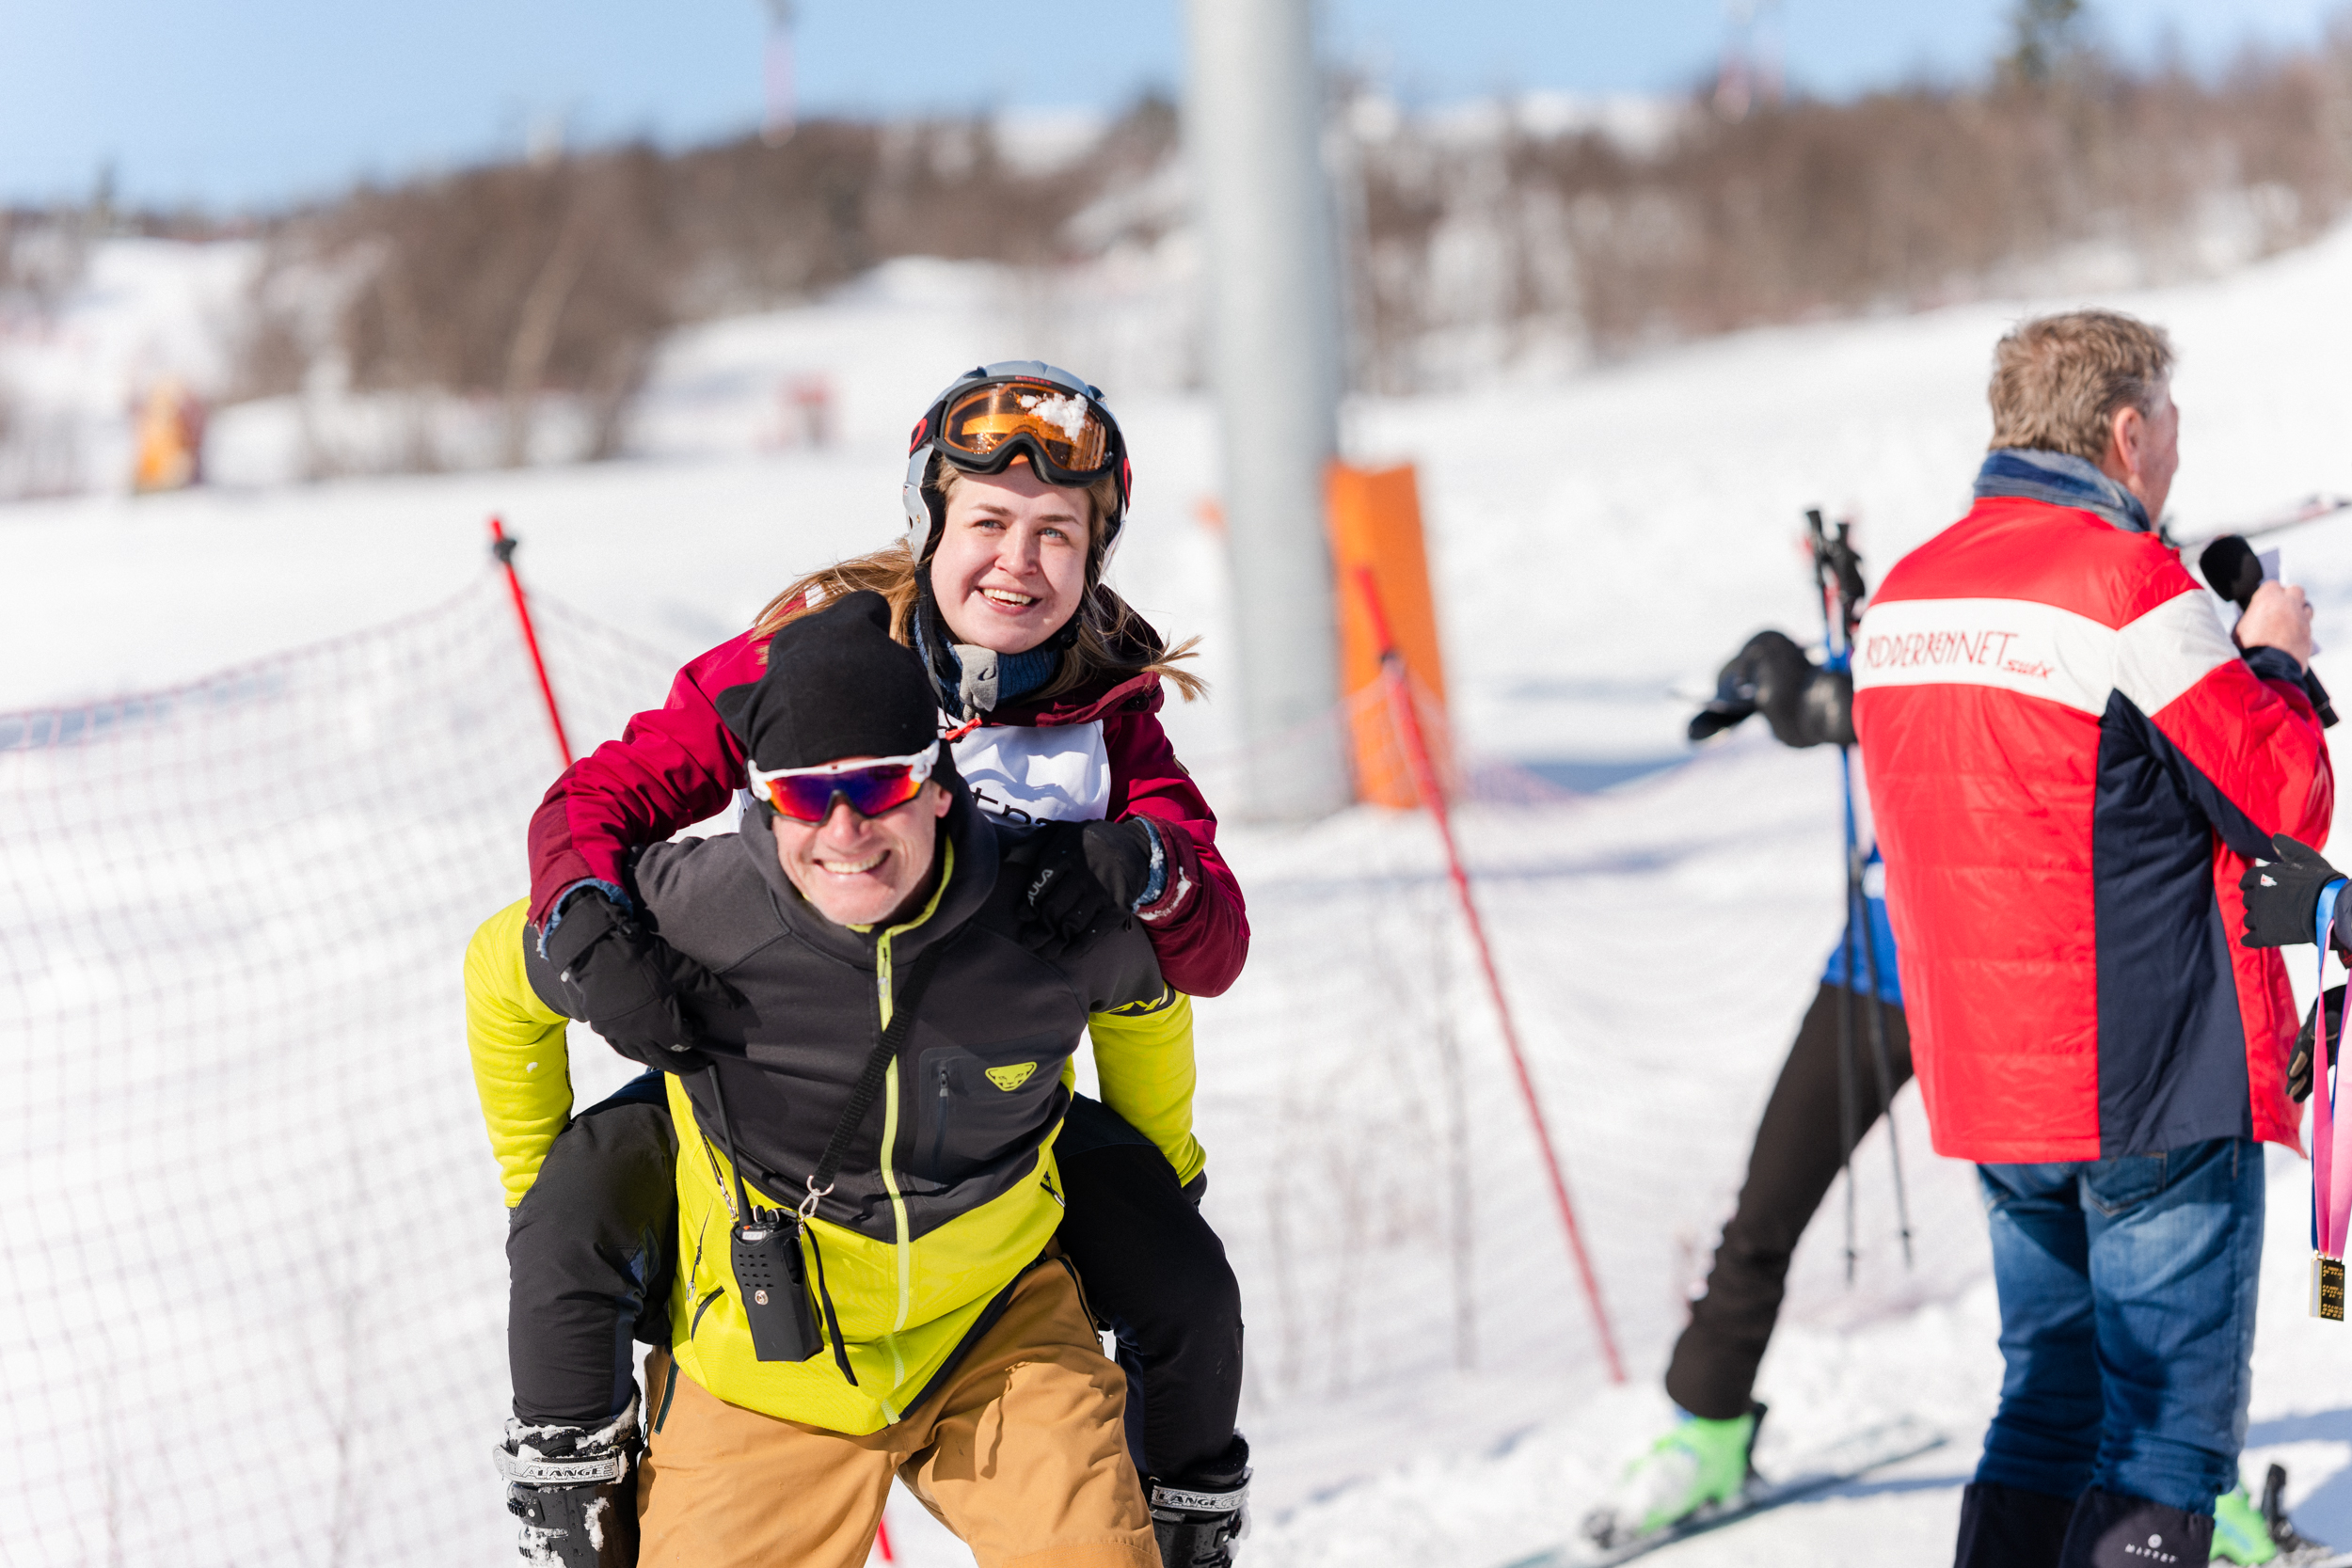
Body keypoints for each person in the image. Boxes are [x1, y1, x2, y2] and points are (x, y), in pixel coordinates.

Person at [483, 364, 1251, 1566]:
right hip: (776, 1058)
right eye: (989, 521)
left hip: (988, 1085)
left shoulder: (1106, 718)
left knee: (1181, 1269)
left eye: (1060, 533)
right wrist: (589, 922)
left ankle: (1186, 1510)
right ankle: (572, 1484)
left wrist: (1134, 858)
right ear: (928, 522)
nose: (1019, 562)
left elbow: (1205, 942)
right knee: (575, 1207)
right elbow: (597, 798)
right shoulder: (811, 665)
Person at [1852, 309, 2329, 1567]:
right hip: (2151, 1076)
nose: (2175, 444)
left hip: (1996, 1087)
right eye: (2168, 420)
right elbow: (2277, 795)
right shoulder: (2127, 584)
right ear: (2128, 431)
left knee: (2047, 1407)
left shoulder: (1904, 589)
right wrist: (2275, 662)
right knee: (2163, 1445)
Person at [1584, 631, 1915, 1548]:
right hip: (1876, 971)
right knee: (1763, 1207)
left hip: (2006, 971)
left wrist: (1830, 705)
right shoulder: (1922, 627)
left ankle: (2164, 1467)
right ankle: (1707, 1428)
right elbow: (1859, 698)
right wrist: (1793, 685)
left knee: (2089, 1229)